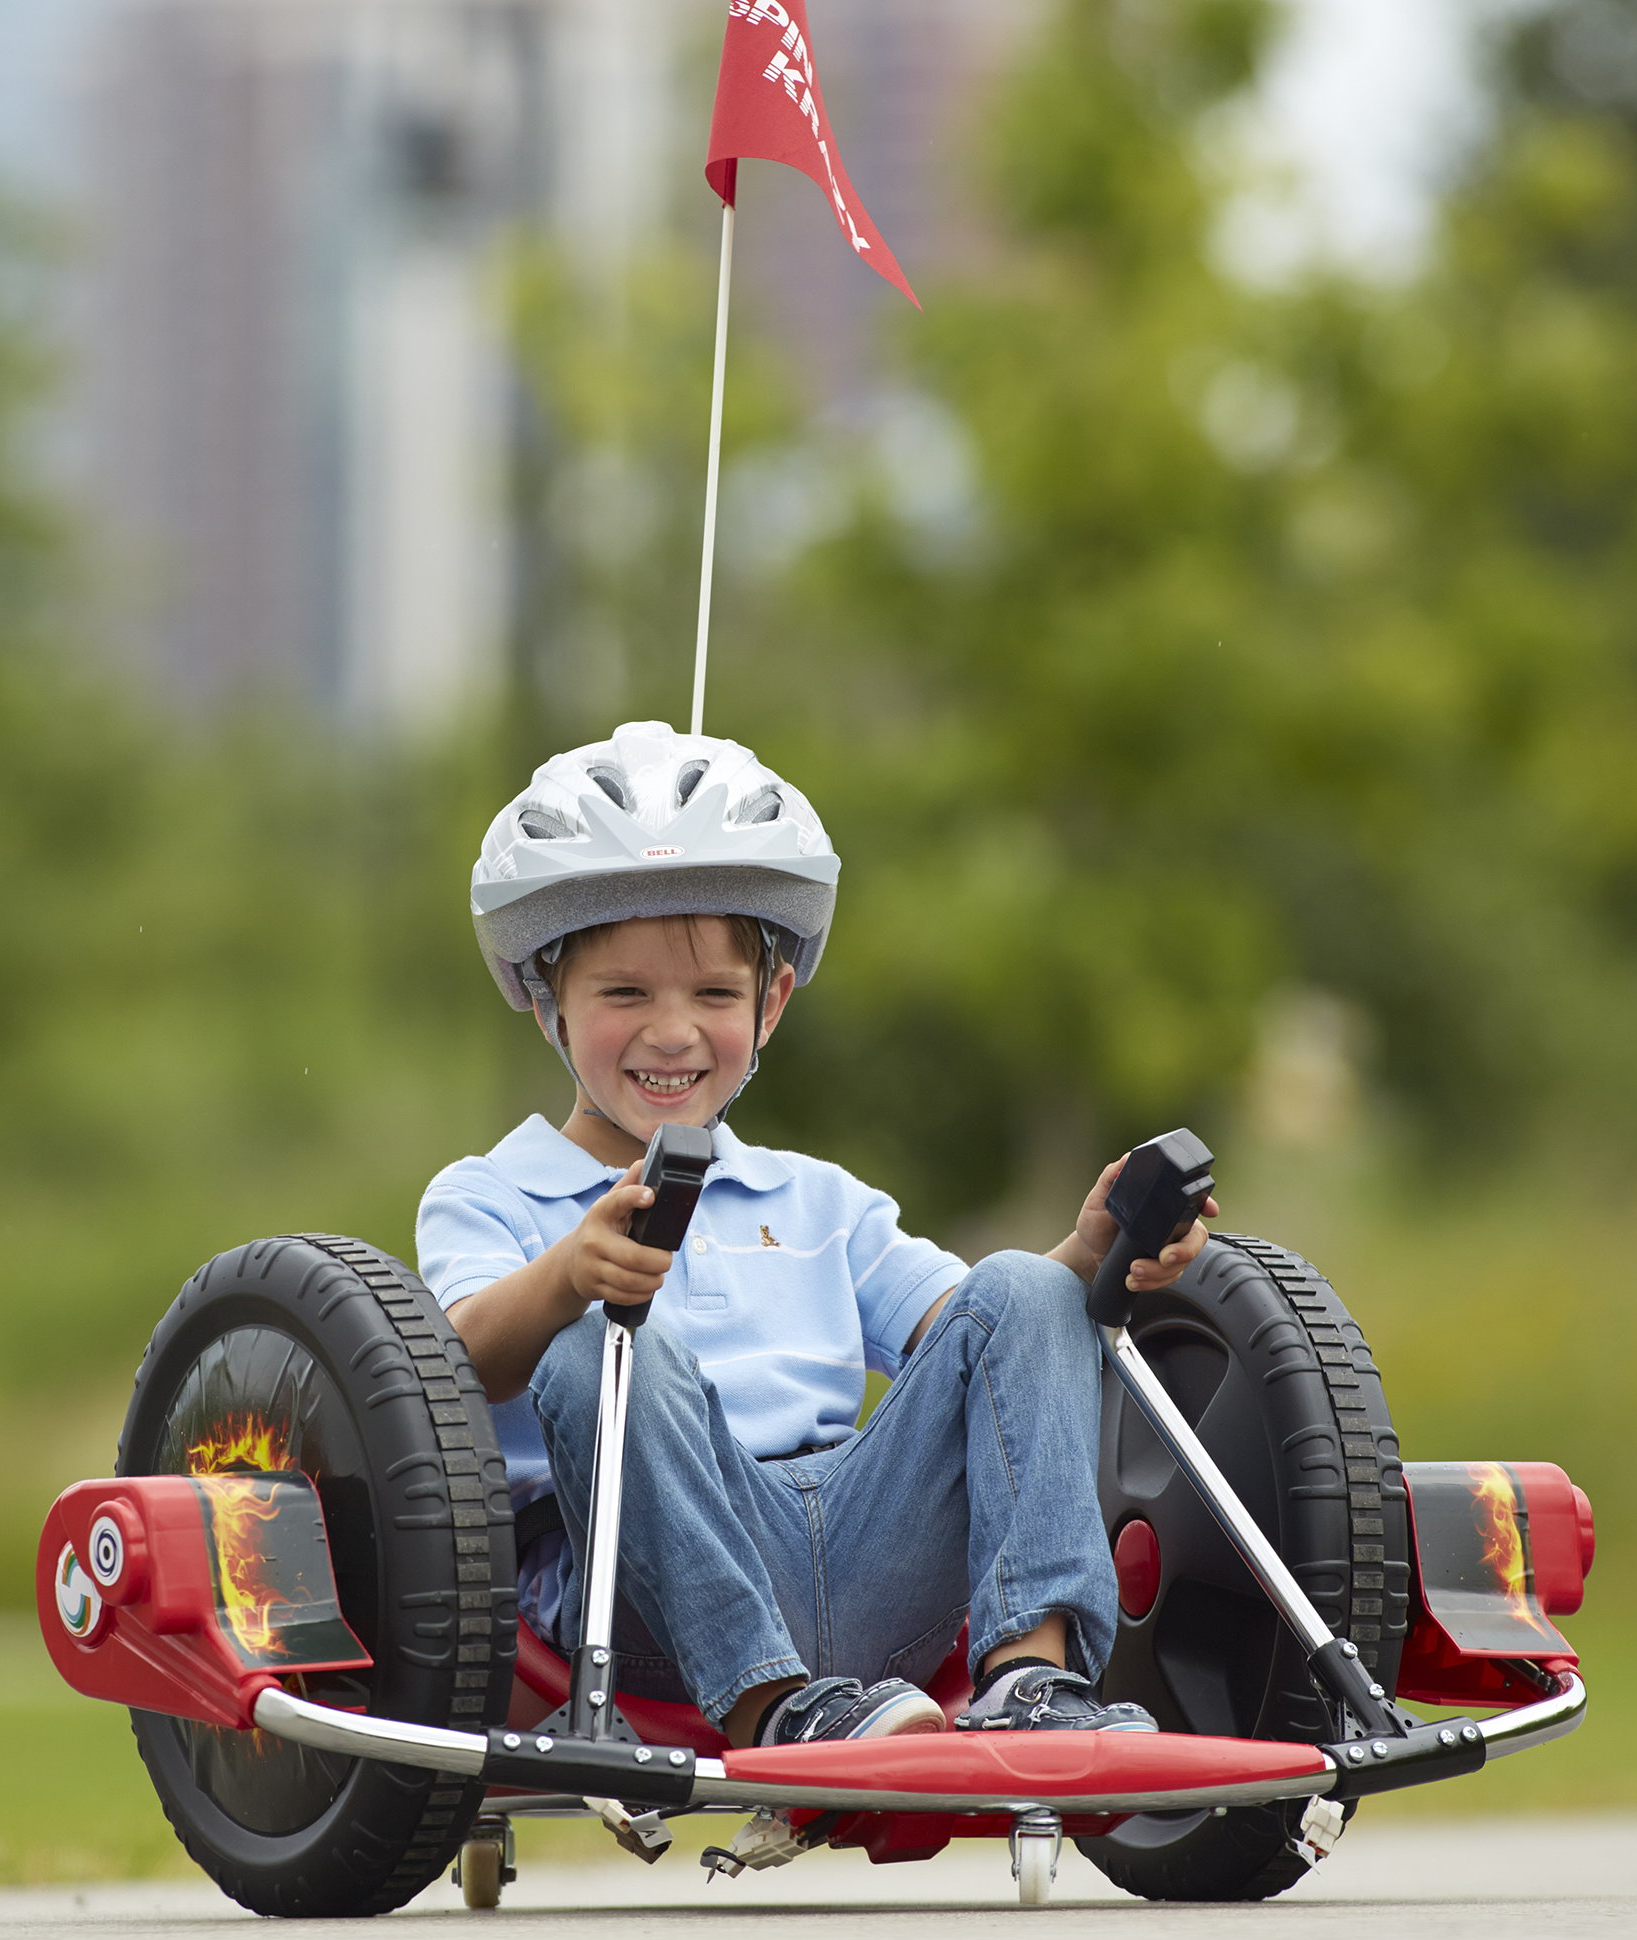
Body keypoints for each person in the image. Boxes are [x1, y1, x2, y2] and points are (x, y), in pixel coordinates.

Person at [416, 722, 1216, 1751]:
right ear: (545, 1002)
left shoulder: (815, 1197)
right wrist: (569, 1274)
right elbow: (455, 1363)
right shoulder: (486, 1193)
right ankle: (768, 1711)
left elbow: (973, 1341)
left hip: (859, 1541)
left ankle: (1030, 1676)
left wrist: (1092, 1256)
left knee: (1022, 1284)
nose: (671, 1030)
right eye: (622, 993)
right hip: (633, 1588)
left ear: (771, 1002)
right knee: (601, 1339)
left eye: (713, 994)